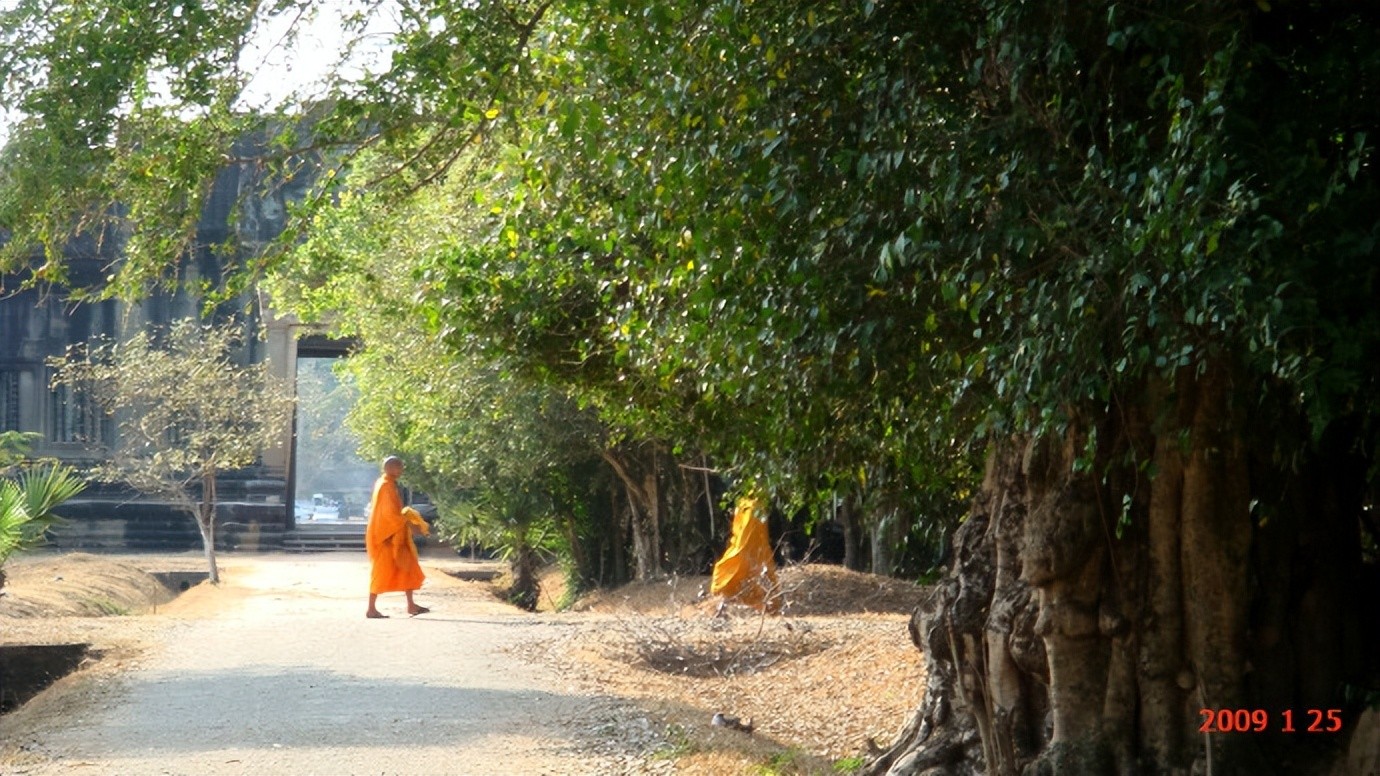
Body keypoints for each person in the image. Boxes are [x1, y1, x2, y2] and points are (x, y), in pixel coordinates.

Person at [364, 456, 431, 619]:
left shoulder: (388, 483)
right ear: (389, 468)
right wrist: (409, 523)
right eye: (399, 467)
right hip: (386, 536)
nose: (401, 470)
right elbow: (389, 514)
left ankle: (411, 605)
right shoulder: (385, 485)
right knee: (381, 571)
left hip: (395, 534)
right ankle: (371, 608)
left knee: (408, 567)